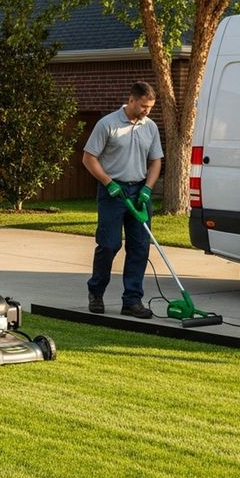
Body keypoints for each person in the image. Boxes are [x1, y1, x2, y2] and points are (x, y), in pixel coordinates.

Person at [82, 81, 164, 319]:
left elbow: (156, 161)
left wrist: (148, 189)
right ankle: (96, 292)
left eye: (150, 107)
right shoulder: (107, 124)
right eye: (143, 106)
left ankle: (132, 300)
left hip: (140, 191)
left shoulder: (150, 127)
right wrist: (109, 183)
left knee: (139, 247)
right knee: (109, 245)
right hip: (112, 192)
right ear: (131, 100)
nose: (146, 111)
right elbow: (89, 158)